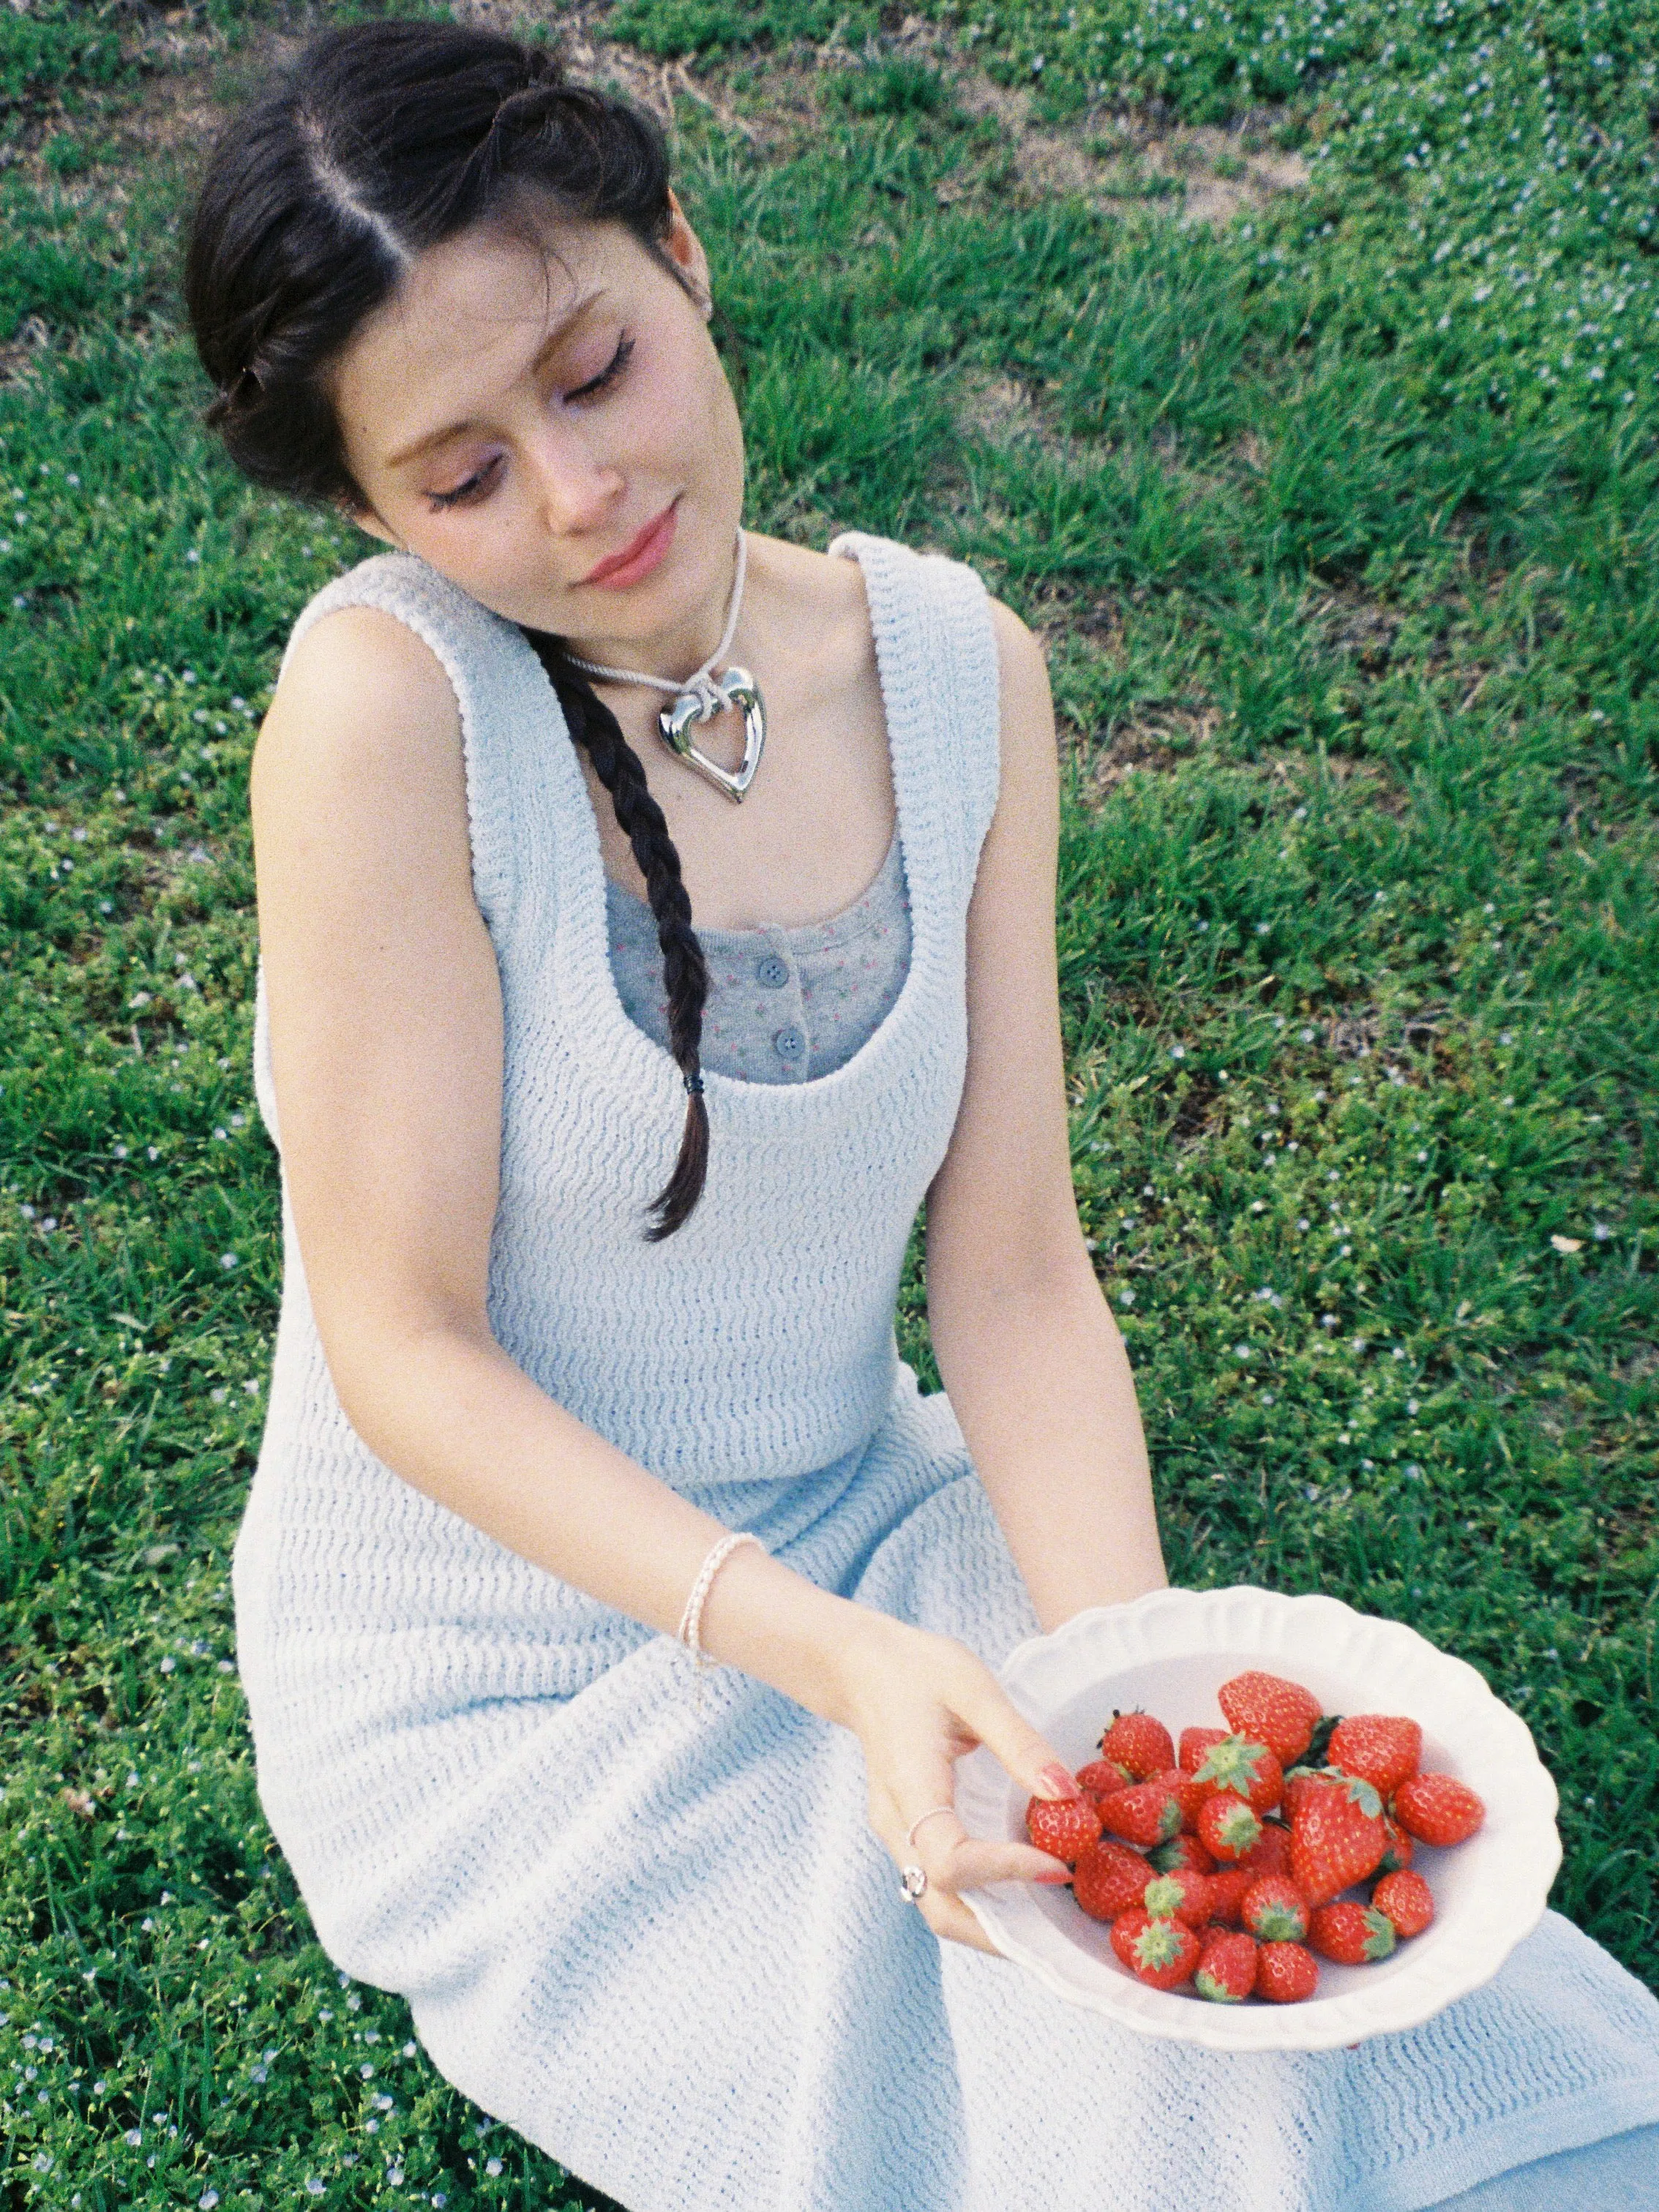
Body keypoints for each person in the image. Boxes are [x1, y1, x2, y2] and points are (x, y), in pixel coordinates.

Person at [184, 18, 1659, 2211]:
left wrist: (1127, 1699)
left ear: (684, 255)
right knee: (1061, 2107)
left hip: (877, 1524)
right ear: (376, 512)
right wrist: (829, 1657)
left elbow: (1018, 1275)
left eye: (592, 370)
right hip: (509, 1681)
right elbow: (406, 1353)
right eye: (462, 474)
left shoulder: (966, 673)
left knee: (1312, 2005)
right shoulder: (385, 713)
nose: (579, 497)